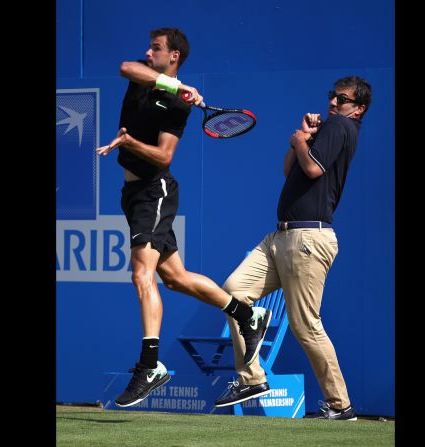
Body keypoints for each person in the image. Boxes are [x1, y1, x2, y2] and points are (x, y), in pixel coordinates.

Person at [95, 27, 270, 408]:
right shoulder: (154, 78)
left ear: (173, 55)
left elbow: (163, 157)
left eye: (155, 48)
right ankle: (246, 315)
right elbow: (126, 66)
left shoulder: (178, 107)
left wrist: (128, 142)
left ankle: (150, 365)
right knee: (174, 278)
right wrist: (175, 85)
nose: (147, 51)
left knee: (141, 274)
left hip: (153, 191)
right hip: (132, 193)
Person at [213, 76, 372, 420]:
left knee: (305, 326)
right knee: (233, 294)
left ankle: (339, 405)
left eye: (342, 100)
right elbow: (292, 170)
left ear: (357, 110)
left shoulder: (341, 126)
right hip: (280, 238)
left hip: (307, 240)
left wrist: (300, 141)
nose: (333, 103)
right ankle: (252, 379)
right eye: (332, 96)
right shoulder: (329, 129)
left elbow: (313, 168)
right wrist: (302, 139)